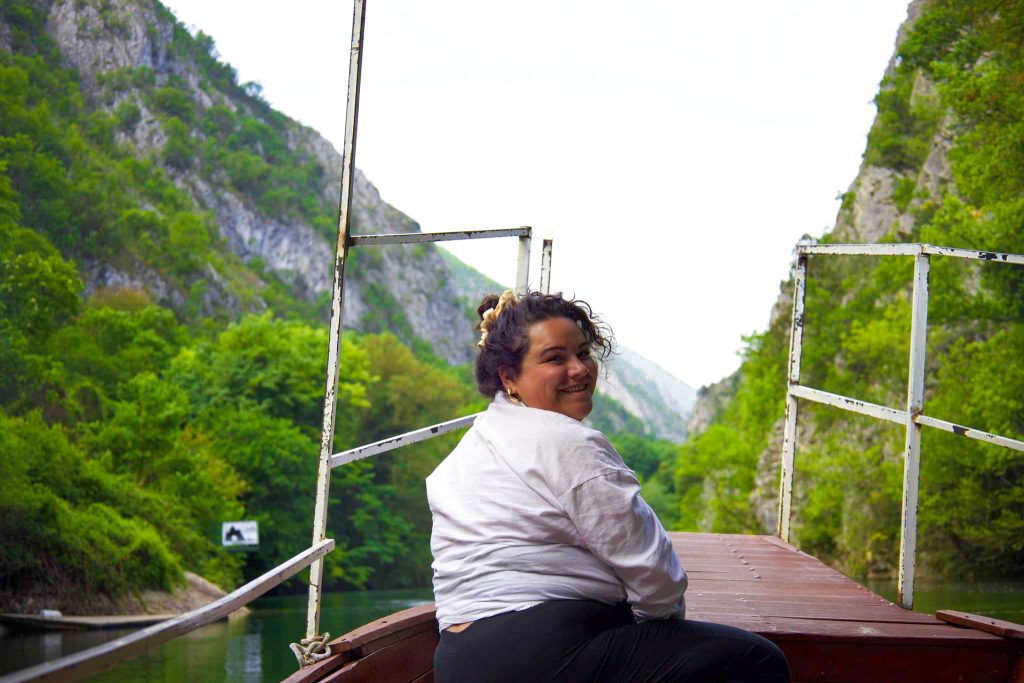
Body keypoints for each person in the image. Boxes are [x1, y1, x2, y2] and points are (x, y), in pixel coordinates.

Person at [427, 290, 790, 682]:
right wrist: (657, 635)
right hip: (541, 654)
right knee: (758, 660)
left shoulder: (471, 447)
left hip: (458, 659)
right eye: (555, 358)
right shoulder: (567, 442)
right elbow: (653, 571)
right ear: (508, 377)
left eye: (583, 353)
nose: (580, 369)